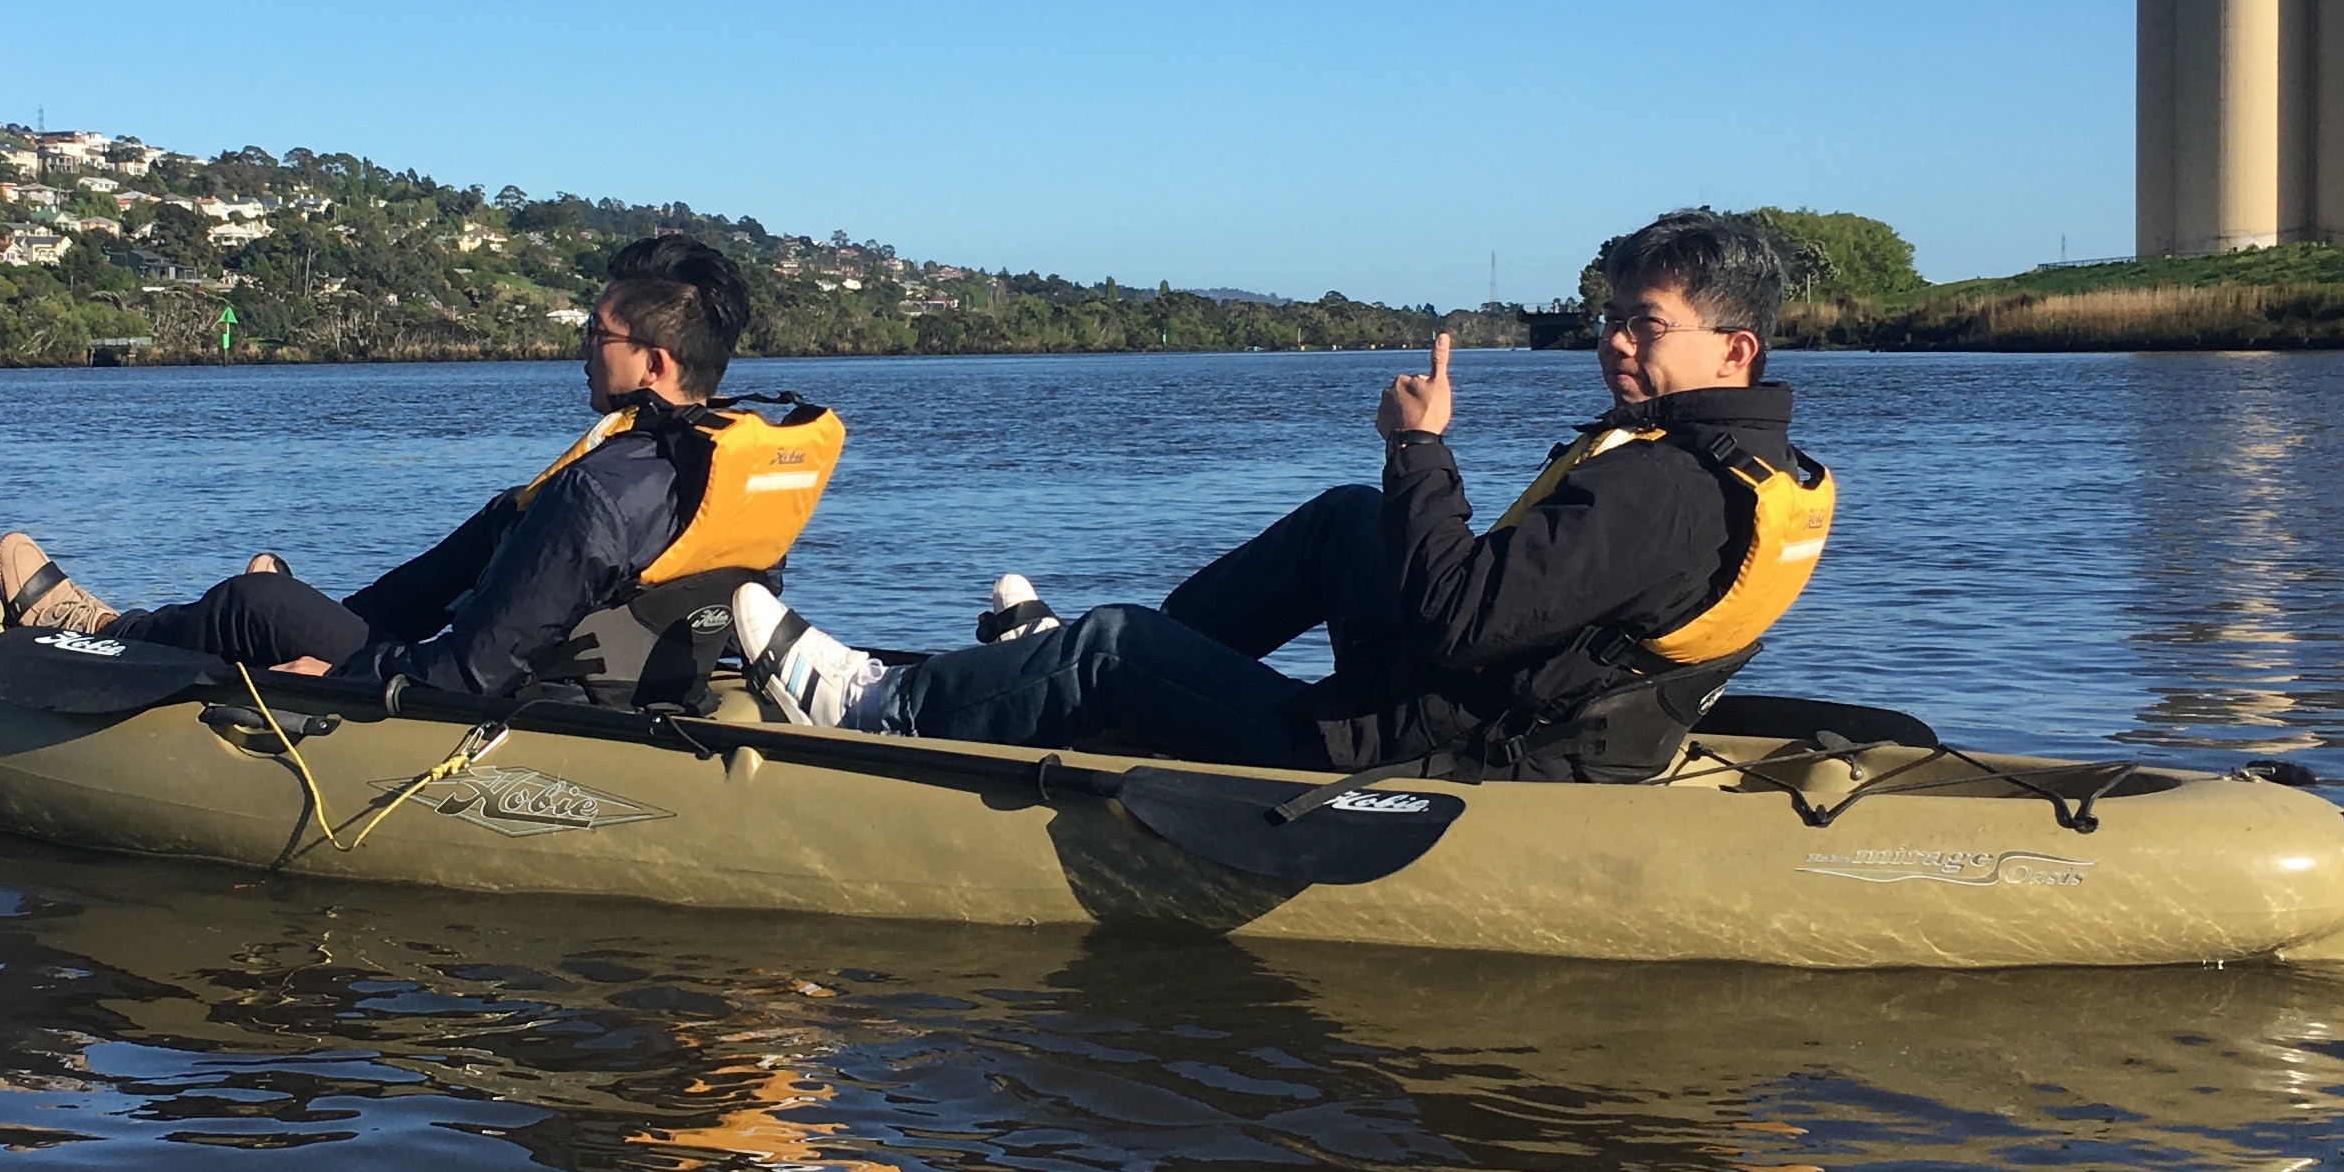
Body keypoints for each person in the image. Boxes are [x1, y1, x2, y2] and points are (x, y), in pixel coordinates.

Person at [734, 206, 1830, 783]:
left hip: (1424, 752)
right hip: (1476, 703)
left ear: (1734, 351)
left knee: (1116, 642)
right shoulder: (1734, 463)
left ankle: (884, 711)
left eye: (1646, 325)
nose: (1615, 344)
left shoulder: (1662, 488)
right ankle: (1067, 676)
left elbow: (1457, 618)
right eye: (1612, 318)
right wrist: (1400, 481)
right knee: (1346, 523)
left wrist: (1422, 448)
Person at [0, 234, 838, 705]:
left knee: (257, 604)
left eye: (596, 333)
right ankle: (300, 610)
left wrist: (342, 673)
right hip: (634, 685)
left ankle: (98, 632)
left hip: (539, 702)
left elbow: (470, 673)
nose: (581, 346)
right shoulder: (722, 461)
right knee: (501, 519)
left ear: (652, 363)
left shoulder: (598, 495)